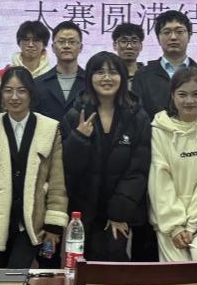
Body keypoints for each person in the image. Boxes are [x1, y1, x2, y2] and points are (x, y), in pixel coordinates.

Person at [0, 67, 68, 269]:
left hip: (32, 221)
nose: (14, 97)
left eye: (21, 91)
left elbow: (57, 181)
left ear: (31, 94)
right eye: (8, 90)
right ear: (1, 94)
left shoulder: (48, 128)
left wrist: (53, 225)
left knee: (15, 273)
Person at [61, 52, 151, 262]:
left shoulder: (137, 116)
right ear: (89, 77)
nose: (107, 78)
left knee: (115, 265)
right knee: (83, 267)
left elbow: (139, 169)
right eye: (100, 72)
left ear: (122, 77)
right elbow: (67, 168)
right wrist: (79, 138)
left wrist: (119, 212)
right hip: (83, 213)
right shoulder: (75, 114)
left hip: (121, 211)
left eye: (113, 72)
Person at [148, 67, 197, 262]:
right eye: (182, 94)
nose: (189, 101)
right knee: (176, 279)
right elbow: (159, 180)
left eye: (196, 94)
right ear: (172, 95)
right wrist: (175, 226)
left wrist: (193, 225)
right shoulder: (159, 130)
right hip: (169, 225)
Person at [134, 11, 197, 120]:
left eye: (179, 31)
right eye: (167, 32)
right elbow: (138, 115)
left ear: (189, 36)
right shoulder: (143, 75)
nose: (173, 37)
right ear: (158, 38)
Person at [35, 21, 86, 121]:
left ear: (80, 47)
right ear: (53, 48)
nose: (66, 46)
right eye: (61, 42)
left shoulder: (91, 83)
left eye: (72, 42)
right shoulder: (37, 84)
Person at [111, 22, 146, 95]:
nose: (129, 46)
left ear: (141, 46)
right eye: (124, 41)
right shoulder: (109, 76)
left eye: (134, 42)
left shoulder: (148, 75)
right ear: (115, 45)